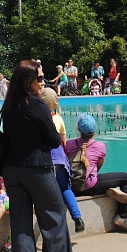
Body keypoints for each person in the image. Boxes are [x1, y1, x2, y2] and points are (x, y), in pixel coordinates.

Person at [2, 60, 74, 252]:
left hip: (12, 171)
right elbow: (53, 140)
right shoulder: (36, 104)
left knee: (21, 226)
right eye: (40, 78)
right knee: (55, 220)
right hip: (37, 170)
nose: (44, 82)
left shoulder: (9, 104)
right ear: (28, 80)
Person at [66, 114, 127, 232]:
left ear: (78, 129)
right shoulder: (100, 146)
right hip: (91, 186)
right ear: (94, 130)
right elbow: (98, 166)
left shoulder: (69, 144)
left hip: (73, 187)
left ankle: (109, 189)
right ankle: (122, 216)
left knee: (92, 179)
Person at [39, 87, 84, 232]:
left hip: (45, 161)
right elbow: (63, 142)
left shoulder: (38, 118)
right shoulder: (58, 118)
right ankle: (77, 217)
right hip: (59, 160)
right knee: (65, 188)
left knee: (45, 193)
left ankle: (53, 226)